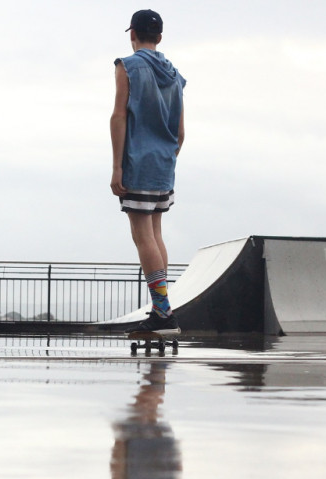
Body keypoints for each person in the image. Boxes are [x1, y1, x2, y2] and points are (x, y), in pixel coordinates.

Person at [110, 9, 186, 335]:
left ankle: (164, 314)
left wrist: (117, 167)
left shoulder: (127, 66)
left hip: (138, 162)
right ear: (160, 37)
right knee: (155, 234)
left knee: (142, 236)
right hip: (164, 163)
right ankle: (160, 311)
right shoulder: (175, 75)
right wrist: (167, 156)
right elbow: (181, 132)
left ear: (133, 34)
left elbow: (119, 117)